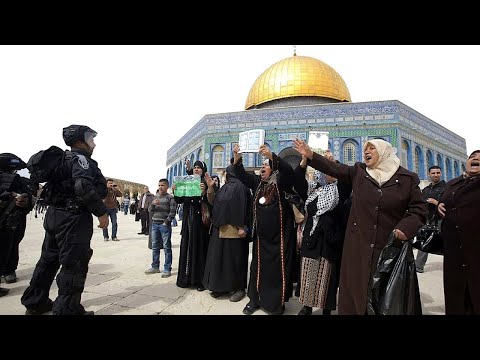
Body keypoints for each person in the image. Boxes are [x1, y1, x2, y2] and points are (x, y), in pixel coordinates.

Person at [293, 138, 428, 315]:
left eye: (372, 148)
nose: (367, 151)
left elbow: (419, 209)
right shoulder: (359, 172)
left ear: (385, 151)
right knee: (356, 296)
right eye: (365, 148)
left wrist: (405, 228)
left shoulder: (407, 179)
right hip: (358, 247)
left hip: (388, 249)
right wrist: (311, 155)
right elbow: (335, 169)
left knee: (384, 299)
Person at [21, 124, 109, 315]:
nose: (93, 143)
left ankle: (35, 303)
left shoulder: (62, 160)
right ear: (79, 141)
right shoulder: (81, 159)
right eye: (90, 139)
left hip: (54, 216)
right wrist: (101, 212)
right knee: (73, 265)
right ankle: (68, 311)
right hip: (73, 219)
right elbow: (82, 186)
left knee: (47, 261)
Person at [233, 144, 296, 315]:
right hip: (262, 239)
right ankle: (255, 300)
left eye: (267, 164)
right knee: (257, 270)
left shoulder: (281, 182)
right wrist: (238, 157)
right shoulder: (258, 184)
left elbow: (289, 171)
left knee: (276, 272)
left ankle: (276, 304)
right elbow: (242, 176)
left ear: (274, 168)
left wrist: (272, 155)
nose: (263, 166)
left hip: (280, 239)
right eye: (262, 164)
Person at [294, 154, 352, 315]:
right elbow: (297, 179)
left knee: (327, 278)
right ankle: (307, 307)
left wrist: (331, 163)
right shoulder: (313, 190)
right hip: (311, 240)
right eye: (327, 170)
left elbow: (348, 179)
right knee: (308, 276)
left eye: (334, 171)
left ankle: (326, 309)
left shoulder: (341, 190)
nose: (331, 173)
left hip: (329, 242)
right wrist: (305, 160)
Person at [438, 150, 480, 315]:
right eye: (472, 157)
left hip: (475, 248)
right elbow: (446, 202)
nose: (476, 159)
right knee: (456, 296)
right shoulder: (453, 183)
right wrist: (439, 206)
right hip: (454, 252)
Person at [203, 165, 252, 302]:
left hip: (236, 231)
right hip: (221, 230)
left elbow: (241, 208)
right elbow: (214, 203)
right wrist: (211, 188)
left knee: (235, 260)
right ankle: (222, 287)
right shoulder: (225, 187)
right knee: (222, 260)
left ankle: (238, 288)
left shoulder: (241, 188)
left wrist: (241, 226)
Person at [172, 160, 211, 291]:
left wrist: (204, 191)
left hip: (200, 224)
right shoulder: (188, 183)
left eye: (199, 168)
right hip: (188, 223)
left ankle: (200, 281)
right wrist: (176, 191)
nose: (196, 169)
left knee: (199, 249)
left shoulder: (205, 183)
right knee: (187, 248)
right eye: (195, 167)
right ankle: (186, 278)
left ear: (203, 170)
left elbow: (211, 201)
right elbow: (180, 200)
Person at [0, 153, 36, 295]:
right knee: (9, 245)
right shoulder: (15, 180)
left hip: (11, 219)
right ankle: (8, 271)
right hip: (10, 221)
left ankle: (8, 271)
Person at [415, 165, 446, 273]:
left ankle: (453, 266)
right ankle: (418, 266)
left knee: (447, 244)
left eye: (438, 173)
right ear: (429, 174)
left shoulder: (446, 188)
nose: (436, 175)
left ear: (441, 173)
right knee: (424, 242)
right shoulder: (426, 190)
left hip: (442, 221)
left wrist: (436, 203)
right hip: (428, 220)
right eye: (433, 173)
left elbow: (451, 204)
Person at [145, 179, 176, 278]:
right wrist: (153, 204)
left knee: (166, 247)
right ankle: (155, 266)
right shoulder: (155, 197)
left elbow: (173, 212)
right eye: (159, 185)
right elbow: (150, 210)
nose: (160, 187)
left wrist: (166, 222)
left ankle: (167, 268)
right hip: (155, 224)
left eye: (162, 185)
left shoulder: (170, 198)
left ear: (167, 186)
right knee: (155, 247)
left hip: (164, 225)